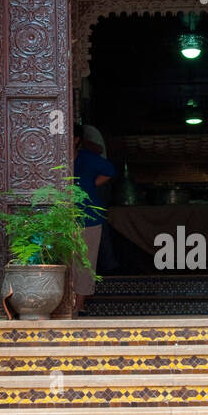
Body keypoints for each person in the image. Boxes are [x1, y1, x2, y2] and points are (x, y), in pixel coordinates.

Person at [72, 126, 117, 315]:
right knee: (65, 262)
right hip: (59, 219)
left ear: (76, 140)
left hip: (88, 218)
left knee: (84, 262)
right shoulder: (52, 156)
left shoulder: (87, 158)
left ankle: (79, 305)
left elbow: (110, 171)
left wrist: (90, 184)